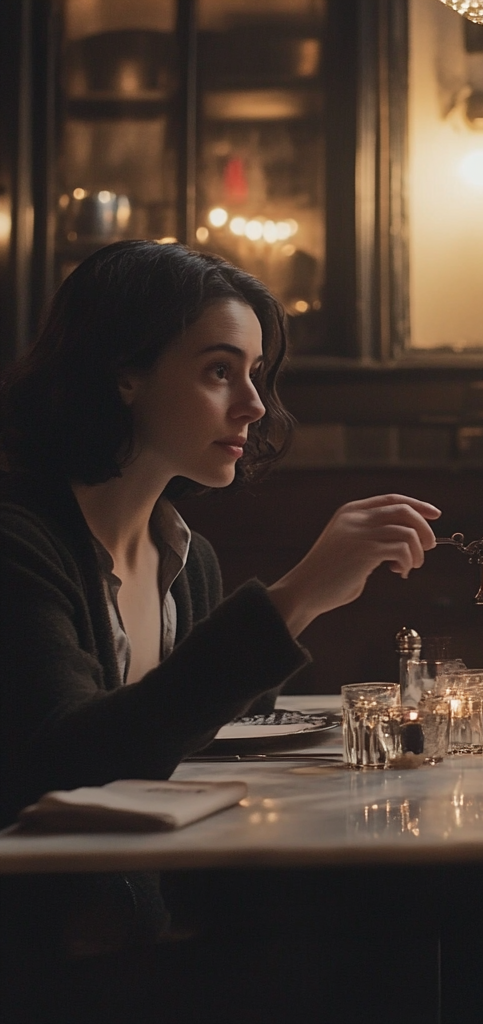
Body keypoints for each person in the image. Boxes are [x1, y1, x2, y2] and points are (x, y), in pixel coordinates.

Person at [0, 240, 441, 1018]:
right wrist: (295, 597)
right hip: (47, 951)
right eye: (218, 371)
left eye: (255, 373)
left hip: (159, 912)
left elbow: (191, 738)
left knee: (408, 902)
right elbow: (67, 764)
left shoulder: (185, 557)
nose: (255, 404)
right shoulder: (18, 541)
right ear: (123, 373)